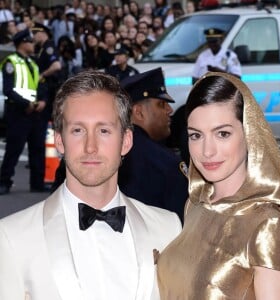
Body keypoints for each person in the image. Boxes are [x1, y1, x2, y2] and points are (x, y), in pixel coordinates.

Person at [0, 70, 182, 299]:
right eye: (78, 130)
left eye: (104, 131)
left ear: (126, 141)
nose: (90, 147)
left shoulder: (168, 228)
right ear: (59, 141)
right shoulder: (11, 237)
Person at [156, 72, 280, 299]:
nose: (207, 151)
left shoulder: (268, 228)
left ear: (249, 134)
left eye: (222, 134)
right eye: (196, 135)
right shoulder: (195, 205)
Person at [118, 68, 189, 221]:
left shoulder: (105, 152)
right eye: (161, 104)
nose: (170, 110)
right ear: (139, 112)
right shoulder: (166, 163)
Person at [0, 29, 49, 194]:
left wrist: (43, 100)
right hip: (19, 111)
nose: (32, 44)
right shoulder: (10, 62)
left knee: (37, 148)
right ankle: (4, 181)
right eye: (30, 41)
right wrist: (25, 103)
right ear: (22, 43)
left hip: (34, 111)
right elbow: (8, 89)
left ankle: (37, 182)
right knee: (14, 148)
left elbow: (41, 85)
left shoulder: (33, 64)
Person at [32, 22, 62, 121]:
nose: (33, 37)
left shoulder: (49, 47)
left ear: (42, 33)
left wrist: (43, 74)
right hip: (43, 87)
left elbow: (56, 66)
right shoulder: (41, 48)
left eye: (35, 34)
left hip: (49, 86)